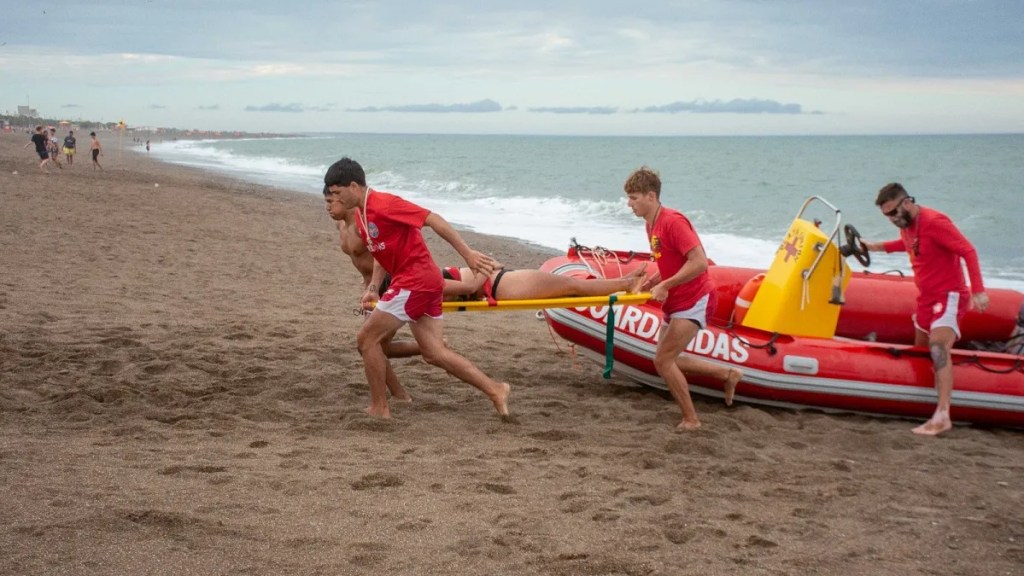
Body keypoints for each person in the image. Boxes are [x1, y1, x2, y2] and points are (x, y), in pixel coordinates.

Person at [323, 157, 510, 419]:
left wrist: (467, 254)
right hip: (423, 283)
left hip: (415, 282)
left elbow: (433, 219)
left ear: (354, 186)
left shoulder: (384, 204)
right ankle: (496, 390)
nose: (335, 200)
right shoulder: (363, 216)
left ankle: (380, 408)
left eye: (337, 193)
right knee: (434, 353)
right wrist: (374, 287)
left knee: (367, 340)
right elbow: (381, 252)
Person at [861, 183, 989, 436]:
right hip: (926, 298)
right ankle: (922, 401)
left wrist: (978, 290)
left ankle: (943, 415)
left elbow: (968, 251)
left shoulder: (935, 222)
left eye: (893, 213)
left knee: (938, 348)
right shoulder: (908, 225)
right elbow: (908, 243)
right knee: (921, 351)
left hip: (949, 296)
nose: (892, 219)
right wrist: (877, 247)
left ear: (906, 202)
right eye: (887, 216)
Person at [624, 166, 740, 431]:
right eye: (629, 198)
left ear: (651, 196)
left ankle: (692, 420)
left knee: (663, 361)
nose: (629, 204)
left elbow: (699, 263)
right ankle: (728, 374)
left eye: (633, 198)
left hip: (696, 299)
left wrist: (667, 284)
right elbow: (668, 261)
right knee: (668, 358)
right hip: (677, 301)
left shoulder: (673, 221)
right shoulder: (649, 224)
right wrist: (654, 281)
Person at [322, 183, 420, 402]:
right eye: (326, 202)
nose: (327, 207)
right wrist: (365, 283)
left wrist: (374, 285)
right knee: (375, 345)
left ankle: (424, 357)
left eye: (331, 201)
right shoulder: (341, 225)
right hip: (371, 287)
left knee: (369, 343)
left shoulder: (361, 222)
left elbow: (379, 254)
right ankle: (404, 388)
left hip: (387, 283)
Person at [441, 261, 645, 302]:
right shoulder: (429, 283)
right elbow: (471, 287)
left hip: (503, 284)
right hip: (501, 284)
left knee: (572, 287)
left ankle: (627, 282)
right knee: (572, 287)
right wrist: (488, 268)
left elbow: (470, 288)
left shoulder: (426, 282)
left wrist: (486, 268)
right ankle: (627, 283)